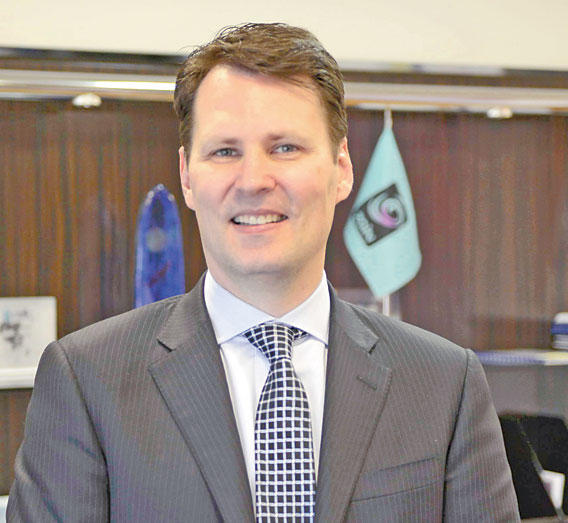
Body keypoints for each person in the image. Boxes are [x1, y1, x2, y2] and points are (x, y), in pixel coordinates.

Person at [8, 23, 519, 522]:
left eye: (285, 147)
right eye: (225, 151)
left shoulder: (444, 384)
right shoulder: (86, 381)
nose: (253, 180)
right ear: (187, 176)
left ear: (342, 167)